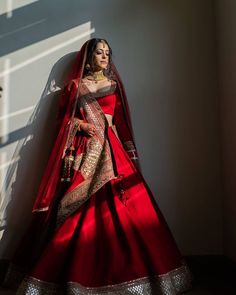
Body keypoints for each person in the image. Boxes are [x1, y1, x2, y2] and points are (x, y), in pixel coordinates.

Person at [4, 38, 192, 294]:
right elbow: (63, 123)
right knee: (75, 211)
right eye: (99, 52)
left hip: (114, 153)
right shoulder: (74, 87)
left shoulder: (114, 87)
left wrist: (130, 156)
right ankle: (70, 277)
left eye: (107, 52)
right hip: (86, 151)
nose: (104, 56)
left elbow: (122, 124)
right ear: (88, 57)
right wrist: (81, 125)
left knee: (131, 208)